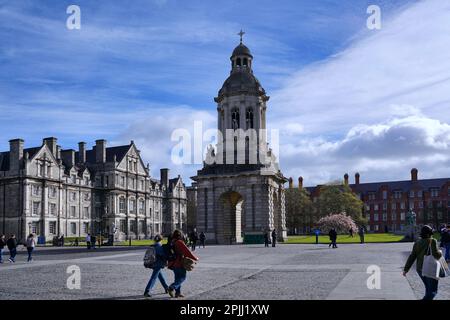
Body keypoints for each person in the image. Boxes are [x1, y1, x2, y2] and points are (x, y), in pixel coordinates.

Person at [403, 225, 442, 300]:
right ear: (429, 233)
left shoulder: (417, 242)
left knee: (428, 289)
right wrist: (440, 252)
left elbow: (412, 256)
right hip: (430, 269)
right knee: (433, 291)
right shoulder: (432, 241)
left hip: (420, 269)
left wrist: (406, 269)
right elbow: (436, 255)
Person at [167, 230, 198, 298]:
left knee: (177, 278)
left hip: (172, 263)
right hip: (179, 262)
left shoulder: (172, 242)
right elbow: (187, 251)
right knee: (183, 277)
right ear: (180, 235)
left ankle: (178, 293)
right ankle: (172, 287)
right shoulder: (179, 242)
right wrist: (195, 258)